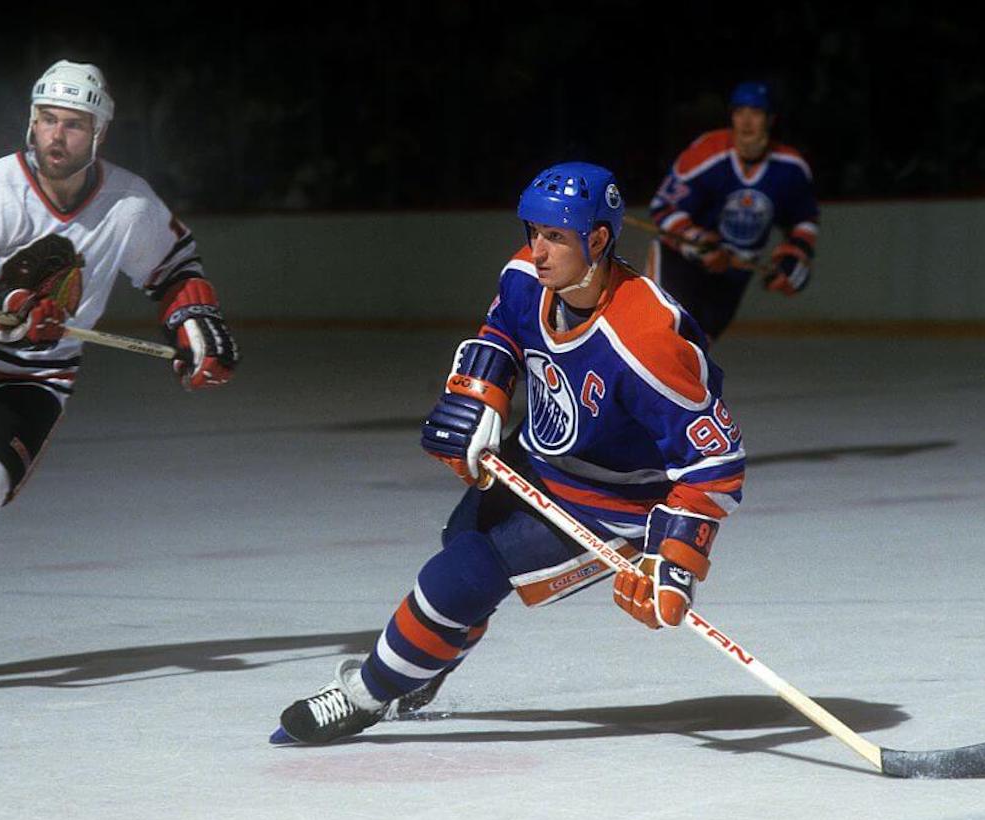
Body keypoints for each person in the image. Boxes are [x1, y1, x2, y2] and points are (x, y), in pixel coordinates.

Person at [271, 162, 744, 745]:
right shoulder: (527, 277)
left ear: (598, 239)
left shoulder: (649, 338)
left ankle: (364, 696)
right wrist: (478, 397)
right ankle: (428, 661)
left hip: (609, 502)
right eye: (534, 233)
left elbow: (715, 466)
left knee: (460, 576)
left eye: (556, 237)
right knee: (460, 545)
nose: (538, 252)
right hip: (535, 460)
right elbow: (501, 331)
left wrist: (673, 561)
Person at [0, 60, 239, 702]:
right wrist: (4, 315)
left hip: (30, 380)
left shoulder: (131, 204)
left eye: (74, 125)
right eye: (48, 120)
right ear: (32, 121)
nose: (57, 136)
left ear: (99, 134)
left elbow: (173, 269)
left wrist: (196, 324)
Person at [646, 80, 819, 341]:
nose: (746, 122)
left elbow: (804, 219)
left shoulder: (791, 168)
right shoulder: (706, 153)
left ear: (771, 119)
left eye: (756, 113)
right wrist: (696, 242)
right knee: (660, 338)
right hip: (680, 263)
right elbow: (663, 207)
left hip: (733, 273)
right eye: (740, 112)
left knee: (696, 352)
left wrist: (795, 253)